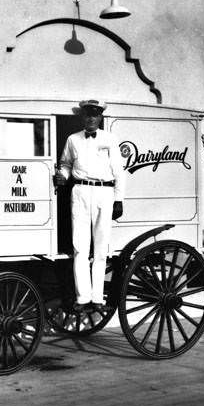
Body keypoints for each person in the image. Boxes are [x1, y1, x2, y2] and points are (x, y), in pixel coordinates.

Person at [53, 100, 124, 314]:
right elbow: (65, 163)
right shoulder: (73, 139)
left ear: (100, 117)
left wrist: (119, 199)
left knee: (101, 248)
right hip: (80, 192)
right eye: (87, 115)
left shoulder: (110, 139)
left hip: (105, 192)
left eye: (95, 114)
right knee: (80, 247)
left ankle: (97, 297)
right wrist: (62, 176)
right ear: (82, 117)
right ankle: (83, 297)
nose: (91, 118)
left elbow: (119, 170)